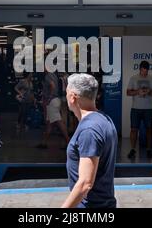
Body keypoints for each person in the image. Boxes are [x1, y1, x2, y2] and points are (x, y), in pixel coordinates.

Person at [61, 73, 118, 208]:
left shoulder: (89, 130)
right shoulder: (103, 119)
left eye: (67, 92)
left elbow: (85, 183)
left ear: (72, 97)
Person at [126, 60, 152, 159]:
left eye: (146, 71)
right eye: (143, 70)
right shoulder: (133, 78)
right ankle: (132, 149)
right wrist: (137, 92)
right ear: (140, 69)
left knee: (149, 129)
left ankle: (149, 150)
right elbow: (128, 93)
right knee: (133, 129)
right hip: (136, 108)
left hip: (148, 108)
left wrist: (149, 92)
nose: (145, 72)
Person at [36, 69, 70, 149]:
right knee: (49, 124)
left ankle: (68, 142)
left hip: (52, 101)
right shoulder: (54, 75)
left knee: (59, 122)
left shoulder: (48, 76)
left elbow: (52, 86)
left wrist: (49, 98)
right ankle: (44, 143)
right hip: (56, 100)